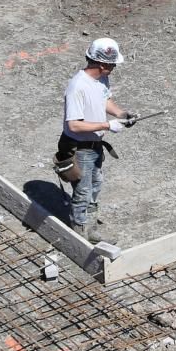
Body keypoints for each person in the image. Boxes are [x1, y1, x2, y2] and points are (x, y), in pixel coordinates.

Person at [58, 36, 135, 241]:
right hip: (79, 147)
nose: (114, 68)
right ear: (102, 64)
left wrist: (121, 115)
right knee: (83, 191)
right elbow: (74, 124)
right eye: (112, 64)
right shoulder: (78, 87)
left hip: (94, 145)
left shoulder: (101, 79)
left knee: (95, 184)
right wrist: (107, 125)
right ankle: (80, 234)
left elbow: (105, 100)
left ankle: (91, 228)